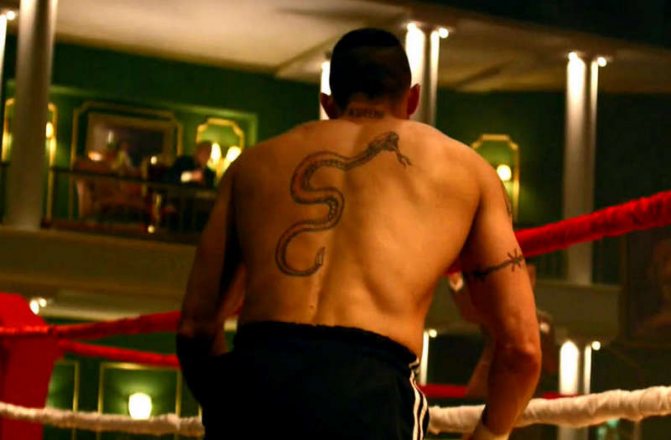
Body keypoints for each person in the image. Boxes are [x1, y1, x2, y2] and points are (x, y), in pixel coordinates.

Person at [176, 28, 541, 440]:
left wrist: (230, 410)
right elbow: (522, 350)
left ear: (328, 103)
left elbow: (195, 329)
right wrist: (489, 435)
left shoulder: (251, 164)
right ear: (413, 99)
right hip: (368, 394)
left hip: (255, 378)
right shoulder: (468, 171)